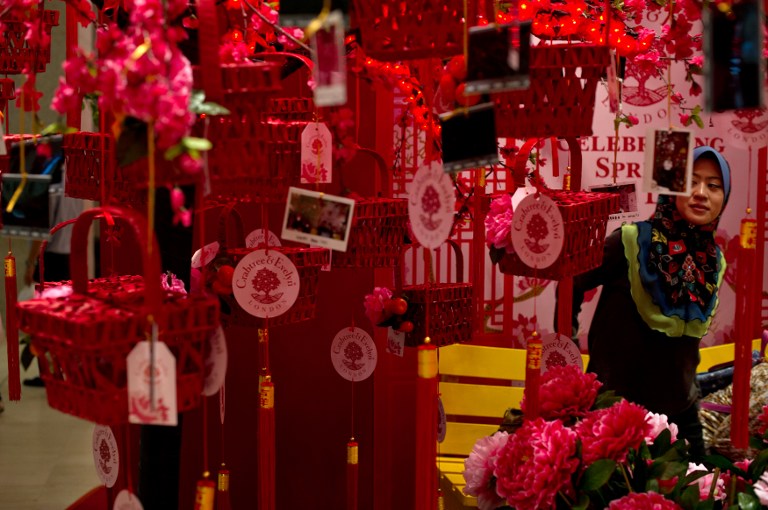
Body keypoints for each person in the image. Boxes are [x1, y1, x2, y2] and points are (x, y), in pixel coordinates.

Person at [562, 146, 731, 460]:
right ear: (672, 187)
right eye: (691, 181)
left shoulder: (713, 261)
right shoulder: (631, 240)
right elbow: (570, 281)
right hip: (612, 414)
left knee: (701, 484)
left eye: (713, 185)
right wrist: (569, 352)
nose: (701, 193)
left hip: (680, 414)